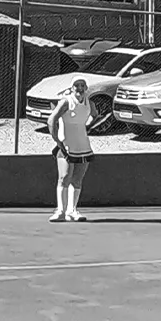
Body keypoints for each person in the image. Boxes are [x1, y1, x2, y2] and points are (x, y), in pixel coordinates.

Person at [46, 77, 95, 222]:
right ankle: (60, 211)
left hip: (83, 146)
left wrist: (86, 127)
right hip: (66, 146)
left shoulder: (90, 103)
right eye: (76, 85)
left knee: (77, 180)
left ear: (86, 88)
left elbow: (95, 115)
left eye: (82, 85)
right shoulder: (66, 102)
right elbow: (51, 120)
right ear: (71, 88)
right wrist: (57, 141)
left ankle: (72, 211)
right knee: (64, 177)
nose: (79, 88)